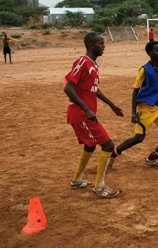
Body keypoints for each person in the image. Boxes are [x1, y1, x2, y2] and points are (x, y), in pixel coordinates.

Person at [64, 32, 124, 198]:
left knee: (90, 145)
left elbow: (94, 89)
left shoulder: (93, 65)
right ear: (91, 45)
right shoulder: (82, 62)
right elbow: (68, 88)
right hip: (81, 115)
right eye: (100, 43)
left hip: (86, 114)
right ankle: (100, 187)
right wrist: (86, 109)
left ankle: (76, 180)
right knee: (108, 145)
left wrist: (111, 104)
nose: (103, 46)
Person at [110, 40, 158, 168]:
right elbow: (135, 91)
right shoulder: (145, 70)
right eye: (157, 50)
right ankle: (113, 154)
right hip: (145, 108)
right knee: (138, 138)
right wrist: (133, 112)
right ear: (150, 53)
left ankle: (152, 158)